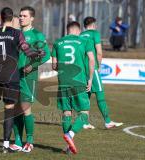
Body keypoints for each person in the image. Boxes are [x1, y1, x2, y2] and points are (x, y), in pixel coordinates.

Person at [0, 7, 45, 153]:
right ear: (12, 18)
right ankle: (6, 145)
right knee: (9, 110)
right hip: (11, 76)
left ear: (0, 18)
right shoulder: (17, 33)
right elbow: (27, 50)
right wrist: (37, 53)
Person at [9, 6, 50, 153]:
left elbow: (45, 55)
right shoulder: (14, 34)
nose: (21, 18)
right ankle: (18, 141)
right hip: (14, 77)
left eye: (24, 16)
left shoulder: (37, 35)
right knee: (15, 110)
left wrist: (32, 67)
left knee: (26, 109)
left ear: (32, 18)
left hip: (28, 77)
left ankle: (30, 141)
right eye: (20, 15)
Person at [52, 21, 95, 154]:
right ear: (78, 30)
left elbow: (54, 66)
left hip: (63, 81)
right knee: (84, 113)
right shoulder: (84, 41)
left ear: (68, 30)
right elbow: (92, 60)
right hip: (79, 81)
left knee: (66, 112)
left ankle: (67, 147)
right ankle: (70, 134)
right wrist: (90, 79)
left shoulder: (57, 42)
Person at [80, 16, 123, 129]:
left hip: (81, 69)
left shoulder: (80, 36)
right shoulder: (95, 34)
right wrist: (98, 66)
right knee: (100, 94)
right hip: (91, 67)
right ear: (93, 24)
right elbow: (99, 52)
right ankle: (107, 121)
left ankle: (84, 123)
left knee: (86, 95)